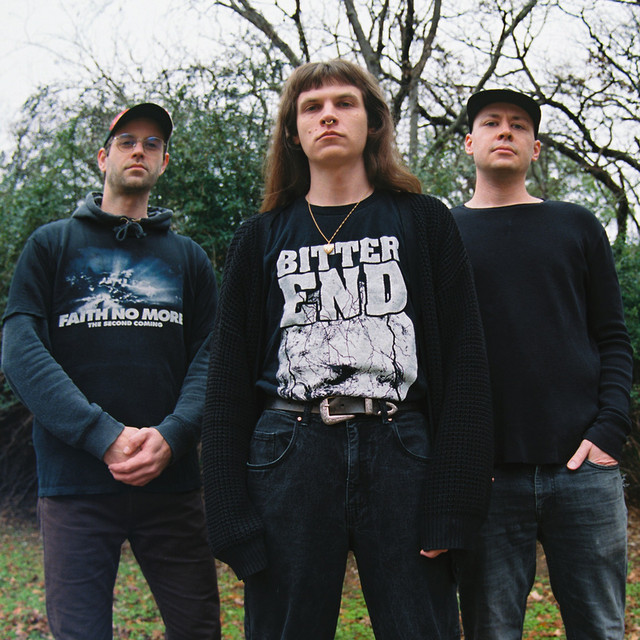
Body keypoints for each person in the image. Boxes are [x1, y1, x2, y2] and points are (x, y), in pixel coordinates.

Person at [201, 59, 493, 639]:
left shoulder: (424, 221)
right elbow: (226, 379)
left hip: (402, 448)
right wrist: (229, 511)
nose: (328, 115)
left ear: (373, 122)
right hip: (288, 452)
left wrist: (453, 498)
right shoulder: (258, 236)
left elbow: (466, 360)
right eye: (312, 107)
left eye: (344, 103)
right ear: (293, 132)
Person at [2, 103, 221, 640]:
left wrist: (174, 435)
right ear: (104, 158)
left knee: (198, 630)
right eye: (127, 141)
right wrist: (101, 435)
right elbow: (21, 350)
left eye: (152, 144)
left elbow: (212, 356)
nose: (139, 151)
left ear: (164, 162)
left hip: (171, 483)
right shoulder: (51, 245)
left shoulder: (189, 258)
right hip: (74, 484)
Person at [452, 88, 633, 639]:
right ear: (469, 143)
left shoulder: (576, 225)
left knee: (600, 629)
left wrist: (609, 430)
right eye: (491, 122)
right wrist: (458, 456)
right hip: (487, 479)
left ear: (534, 148)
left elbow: (613, 338)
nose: (505, 130)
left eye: (519, 124)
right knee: (490, 631)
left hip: (583, 470)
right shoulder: (443, 235)